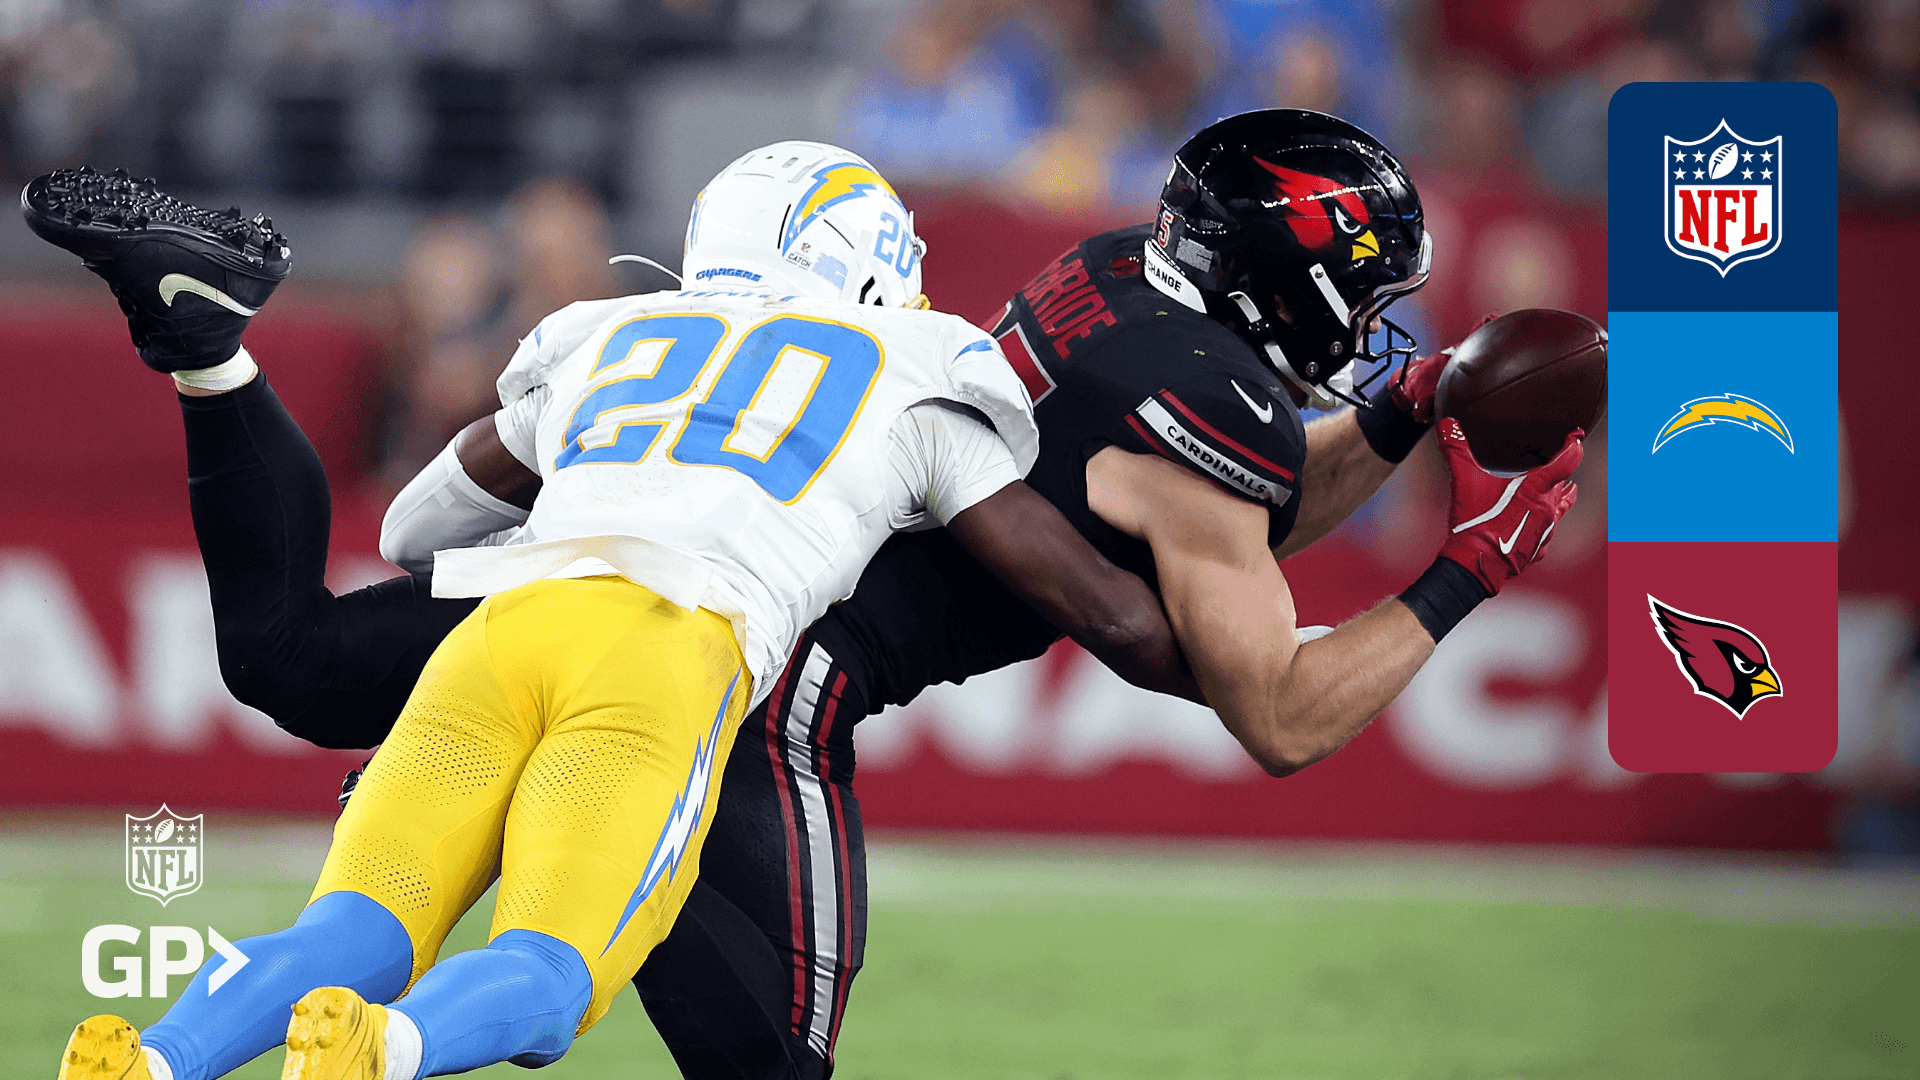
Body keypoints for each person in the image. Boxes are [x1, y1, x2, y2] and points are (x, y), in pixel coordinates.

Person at [34, 110, 1582, 1080]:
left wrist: (1411, 406)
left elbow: (423, 520)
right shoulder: (933, 365)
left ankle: (213, 362)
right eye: (1366, 295)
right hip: (740, 673)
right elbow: (1247, 689)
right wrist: (1478, 563)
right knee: (738, 1051)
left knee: (296, 657)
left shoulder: (1112, 271)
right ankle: (399, 1041)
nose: (1371, 325)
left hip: (527, 600)